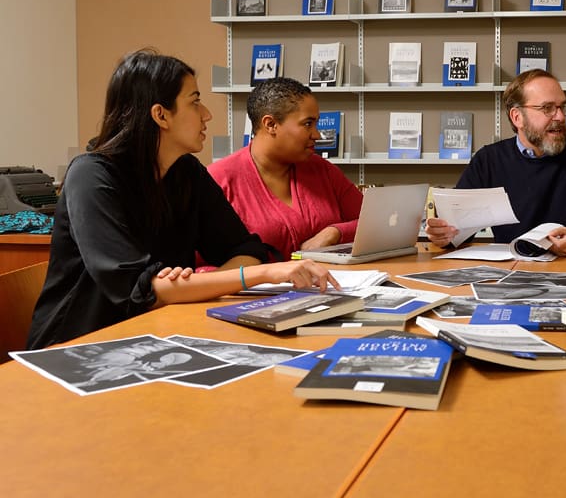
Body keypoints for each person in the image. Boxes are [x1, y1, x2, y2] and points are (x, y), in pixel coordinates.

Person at [27, 50, 339, 350]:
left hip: (159, 335)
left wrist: (190, 288)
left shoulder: (186, 172)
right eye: (195, 102)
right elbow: (143, 291)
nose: (207, 114)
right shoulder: (91, 176)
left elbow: (246, 250)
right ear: (160, 115)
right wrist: (267, 273)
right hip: (78, 347)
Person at [426, 69, 566, 254]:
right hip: (509, 272)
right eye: (547, 108)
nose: (561, 116)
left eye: (562, 106)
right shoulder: (488, 160)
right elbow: (457, 228)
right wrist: (444, 235)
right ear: (517, 117)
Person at [209, 77, 363, 260]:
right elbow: (198, 266)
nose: (317, 134)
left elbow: (373, 223)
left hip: (333, 285)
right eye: (308, 124)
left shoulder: (324, 171)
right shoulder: (218, 180)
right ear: (271, 124)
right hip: (253, 288)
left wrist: (334, 232)